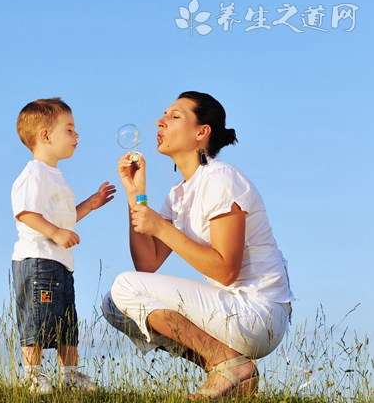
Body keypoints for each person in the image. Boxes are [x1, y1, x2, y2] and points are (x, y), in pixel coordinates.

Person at [101, 91, 295, 400]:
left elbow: (226, 269)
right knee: (114, 305)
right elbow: (147, 264)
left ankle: (227, 365)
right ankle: (228, 370)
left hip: (257, 313)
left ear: (201, 133)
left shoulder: (221, 178)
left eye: (175, 116)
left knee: (125, 286)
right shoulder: (178, 196)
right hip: (229, 311)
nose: (160, 121)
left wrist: (162, 227)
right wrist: (135, 194)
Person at [11, 97, 115, 394]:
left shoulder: (55, 176)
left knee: (66, 321)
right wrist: (55, 232)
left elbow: (66, 218)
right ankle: (33, 374)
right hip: (38, 261)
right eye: (69, 129)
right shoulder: (34, 174)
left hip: (59, 263)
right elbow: (26, 212)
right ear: (45, 136)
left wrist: (90, 205)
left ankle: (69, 374)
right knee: (37, 319)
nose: (76, 136)